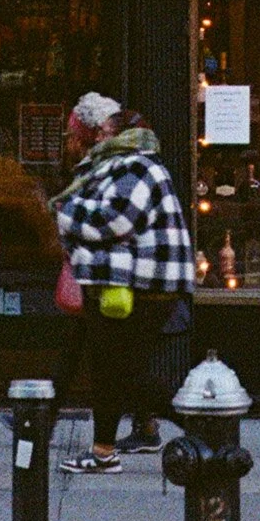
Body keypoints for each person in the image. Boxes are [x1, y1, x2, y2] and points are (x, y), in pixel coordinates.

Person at [52, 90, 196, 475]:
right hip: (132, 283)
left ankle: (205, 427)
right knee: (113, 367)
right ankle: (103, 450)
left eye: (74, 133)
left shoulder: (131, 164)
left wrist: (64, 211)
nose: (70, 141)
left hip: (145, 285)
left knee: (122, 369)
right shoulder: (115, 164)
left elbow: (115, 219)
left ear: (97, 132)